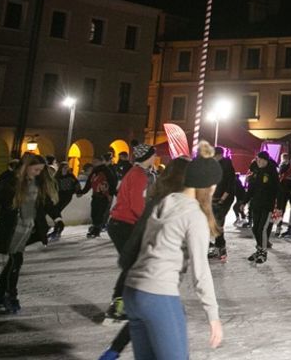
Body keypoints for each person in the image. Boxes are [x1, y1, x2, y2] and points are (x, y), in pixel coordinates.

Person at [123, 144, 224, 359]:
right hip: (157, 295)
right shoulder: (194, 216)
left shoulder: (165, 201)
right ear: (206, 185)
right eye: (214, 185)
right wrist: (213, 316)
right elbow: (201, 271)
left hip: (132, 292)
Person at [0, 152, 60, 314]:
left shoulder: (37, 183)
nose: (38, 174)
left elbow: (46, 203)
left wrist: (58, 218)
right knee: (16, 262)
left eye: (40, 170)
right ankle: (11, 297)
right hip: (11, 230)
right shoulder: (10, 183)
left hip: (29, 230)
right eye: (36, 170)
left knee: (12, 264)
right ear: (26, 167)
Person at [106, 143, 160, 319]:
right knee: (134, 264)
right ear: (147, 157)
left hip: (124, 224)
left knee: (135, 263)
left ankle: (125, 301)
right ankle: (119, 303)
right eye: (153, 155)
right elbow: (137, 205)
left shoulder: (139, 174)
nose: (155, 158)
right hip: (123, 224)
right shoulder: (138, 175)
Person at [246, 151, 280, 264]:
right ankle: (259, 250)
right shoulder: (256, 171)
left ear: (265, 160)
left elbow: (278, 190)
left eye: (260, 160)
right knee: (255, 229)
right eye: (257, 159)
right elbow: (251, 189)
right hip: (256, 204)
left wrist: (279, 206)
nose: (258, 161)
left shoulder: (272, 172)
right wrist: (243, 201)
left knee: (262, 229)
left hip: (267, 206)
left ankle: (263, 252)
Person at [208, 147, 238, 260]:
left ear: (219, 155)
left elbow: (230, 185)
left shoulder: (227, 165)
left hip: (224, 199)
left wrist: (222, 199)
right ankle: (218, 247)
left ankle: (221, 247)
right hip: (215, 198)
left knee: (218, 223)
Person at [83, 154, 119, 237]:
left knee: (100, 213)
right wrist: (83, 191)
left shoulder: (107, 170)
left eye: (95, 161)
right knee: (94, 213)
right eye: (93, 161)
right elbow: (89, 182)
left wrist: (111, 194)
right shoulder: (94, 171)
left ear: (101, 161)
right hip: (95, 195)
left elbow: (112, 182)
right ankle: (95, 228)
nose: (93, 163)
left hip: (104, 196)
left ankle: (96, 230)